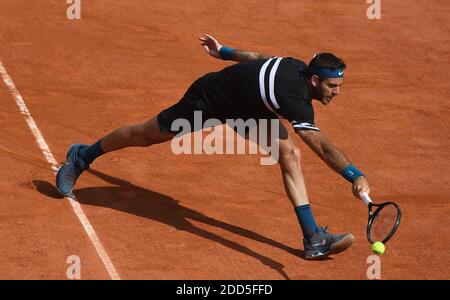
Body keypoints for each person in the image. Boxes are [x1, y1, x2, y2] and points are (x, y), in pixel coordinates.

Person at [56, 34, 370, 259]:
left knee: (289, 154)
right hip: (210, 99)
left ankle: (313, 237)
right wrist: (354, 174)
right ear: (314, 80)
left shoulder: (296, 66)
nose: (337, 93)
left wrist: (226, 51)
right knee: (145, 135)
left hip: (250, 108)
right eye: (332, 86)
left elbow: (259, 58)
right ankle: (82, 156)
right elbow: (324, 148)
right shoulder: (295, 100)